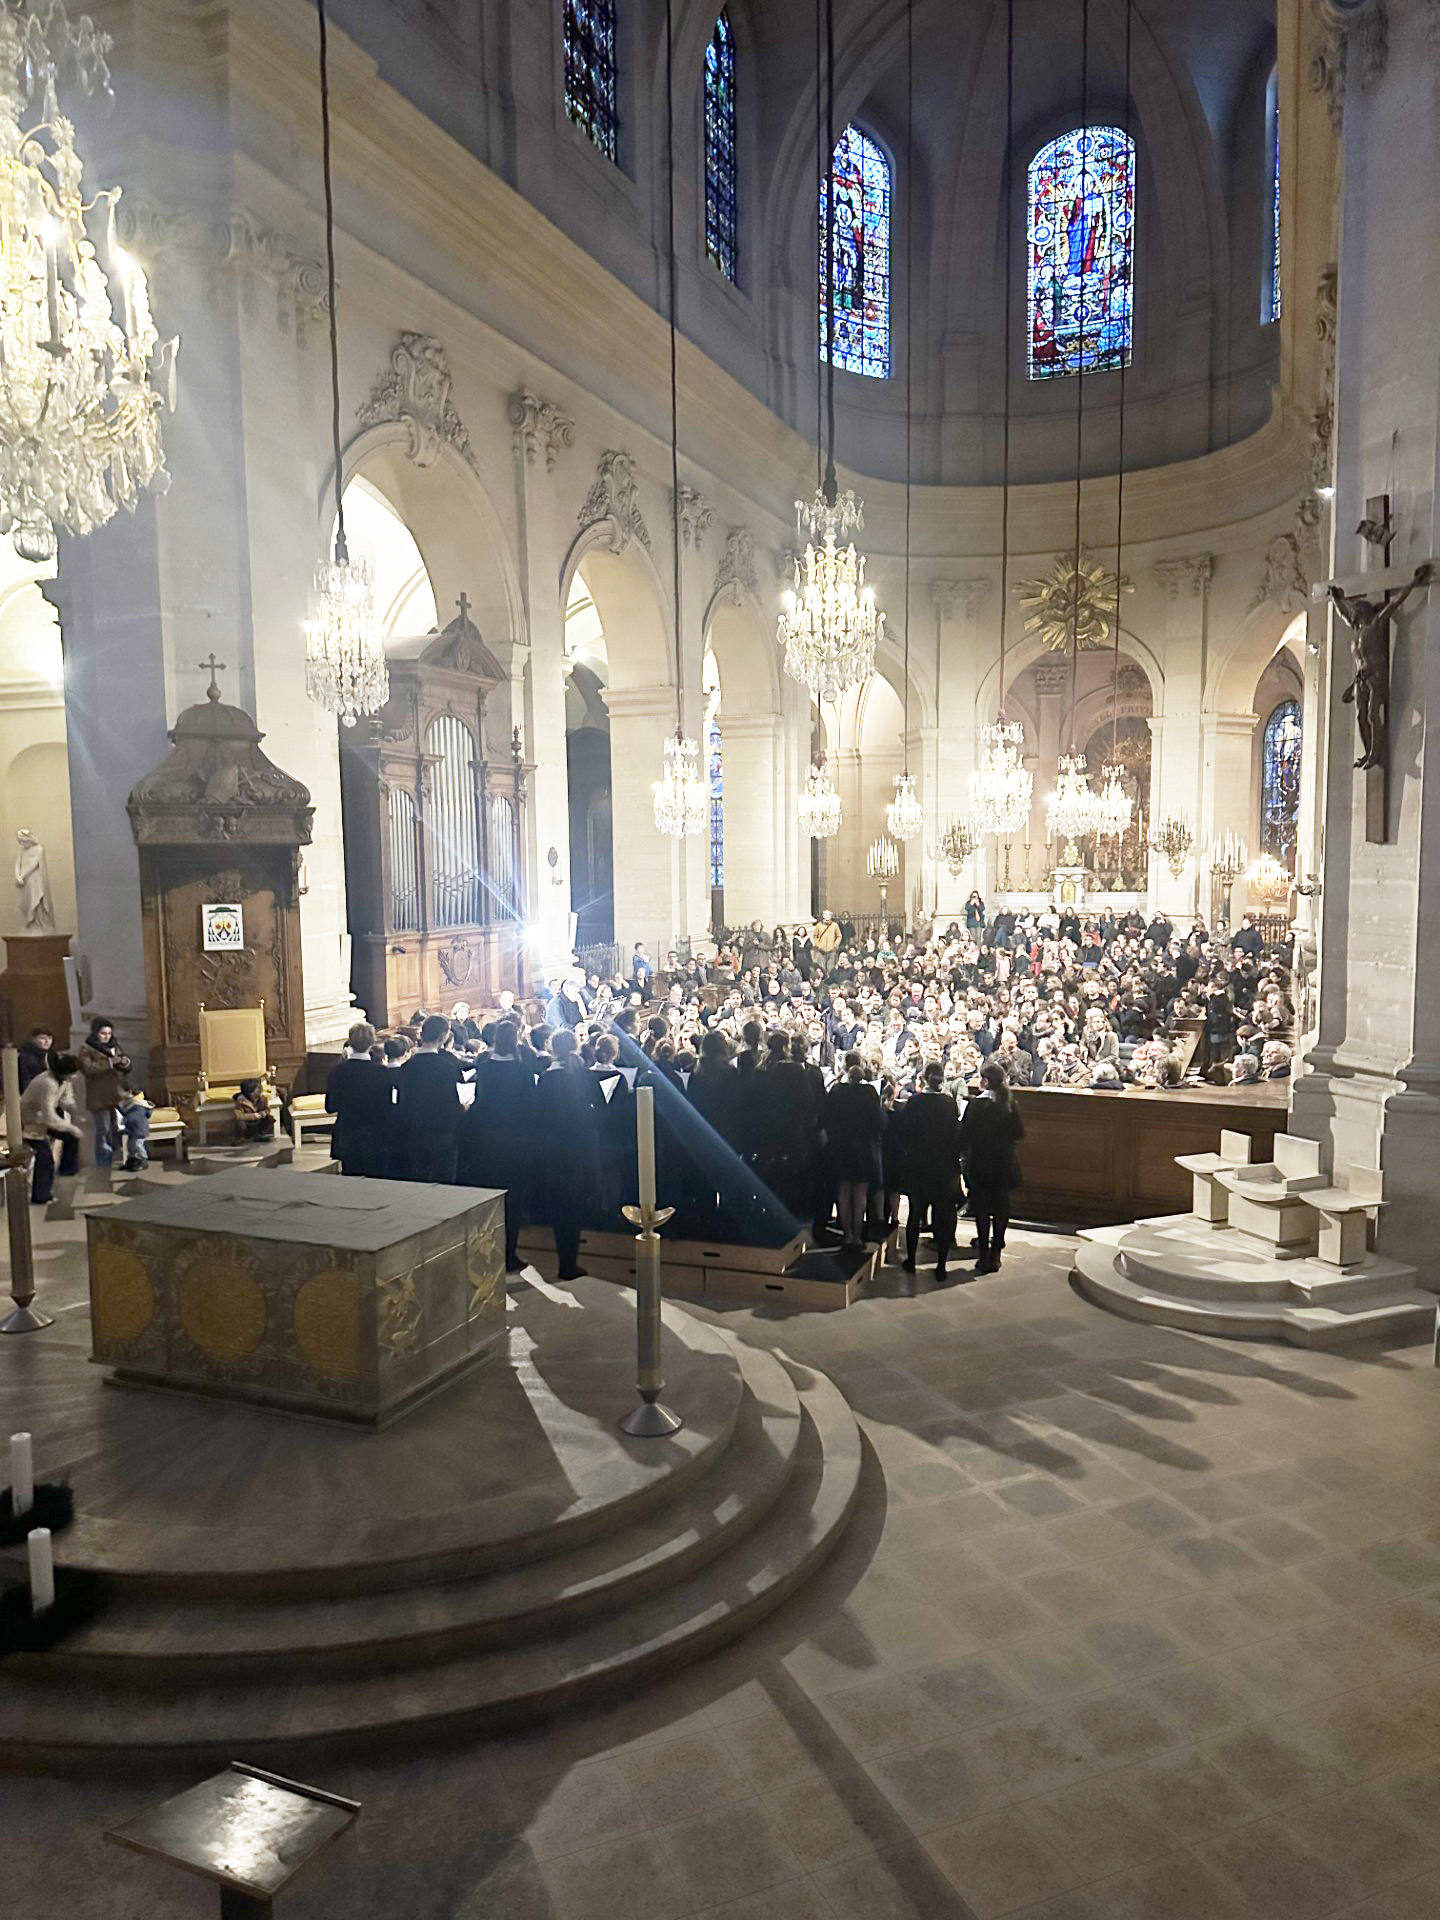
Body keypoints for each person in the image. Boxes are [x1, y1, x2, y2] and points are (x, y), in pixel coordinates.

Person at [461, 1019, 536, 1270]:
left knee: (489, 1196)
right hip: (515, 1142)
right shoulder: (524, 1070)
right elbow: (529, 1109)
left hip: (488, 1140)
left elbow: (480, 1101)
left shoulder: (485, 1067)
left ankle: (485, 1250)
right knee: (513, 1200)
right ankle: (509, 1254)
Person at [535, 1028, 600, 1280]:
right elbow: (599, 1108)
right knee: (576, 1204)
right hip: (581, 1146)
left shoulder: (546, 1079)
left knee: (560, 1205)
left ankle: (565, 1260)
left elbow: (539, 1114)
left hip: (554, 1148)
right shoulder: (583, 1075)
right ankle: (570, 1262)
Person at [894, 1060, 964, 1280]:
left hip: (919, 1165)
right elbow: (955, 1133)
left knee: (915, 1214)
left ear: (923, 1079)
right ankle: (941, 1265)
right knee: (943, 1216)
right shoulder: (949, 1103)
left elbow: (904, 1132)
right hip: (944, 1167)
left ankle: (912, 1261)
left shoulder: (915, 1102)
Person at [958, 1060, 1024, 1275]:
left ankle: (984, 1253)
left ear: (985, 1081)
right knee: (1002, 1205)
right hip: (1003, 1162)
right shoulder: (1010, 1104)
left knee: (983, 1209)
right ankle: (997, 1249)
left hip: (980, 1162)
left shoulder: (976, 1105)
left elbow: (964, 1135)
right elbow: (1020, 1134)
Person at [395, 1014, 467, 1182]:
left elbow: (403, 1102)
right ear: (443, 1037)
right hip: (442, 1135)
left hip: (414, 1133)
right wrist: (463, 1109)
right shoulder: (446, 1067)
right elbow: (450, 1105)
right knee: (444, 1184)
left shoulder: (406, 1067)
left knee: (418, 1183)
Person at [825, 1052, 884, 1251]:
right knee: (860, 1195)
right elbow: (879, 1121)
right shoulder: (869, 1092)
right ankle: (857, 1237)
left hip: (841, 1147)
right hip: (863, 1148)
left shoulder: (837, 1090)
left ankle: (846, 1235)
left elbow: (828, 1118)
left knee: (843, 1192)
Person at [325, 1022, 394, 1177]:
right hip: (376, 1137)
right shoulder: (382, 1073)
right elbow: (388, 1108)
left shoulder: (337, 1072)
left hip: (348, 1136)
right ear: (372, 1043)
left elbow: (330, 1106)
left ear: (350, 1042)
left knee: (350, 1187)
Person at [21, 1049, 82, 1204]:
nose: (74, 1077)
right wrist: (70, 1127)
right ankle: (40, 1196)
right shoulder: (47, 1083)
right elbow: (48, 1114)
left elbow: (66, 1099)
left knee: (71, 1138)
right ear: (63, 1072)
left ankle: (67, 1171)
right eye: (72, 1074)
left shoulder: (63, 1080)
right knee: (45, 1159)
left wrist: (77, 1111)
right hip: (30, 1122)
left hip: (44, 1119)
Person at [78, 1018, 132, 1167]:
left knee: (118, 1128)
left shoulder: (114, 1046)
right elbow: (88, 1069)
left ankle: (118, 1157)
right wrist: (109, 1063)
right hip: (99, 1096)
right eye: (103, 1033)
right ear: (96, 1033)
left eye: (109, 1033)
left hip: (116, 1093)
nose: (106, 1036)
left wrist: (125, 1062)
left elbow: (124, 1065)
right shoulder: (86, 1048)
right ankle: (103, 1161)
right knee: (103, 1130)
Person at [17, 1027, 52, 1092]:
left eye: (50, 1038)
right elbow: (25, 1079)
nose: (47, 1041)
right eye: (42, 1038)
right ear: (34, 1039)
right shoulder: (27, 1056)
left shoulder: (49, 1055)